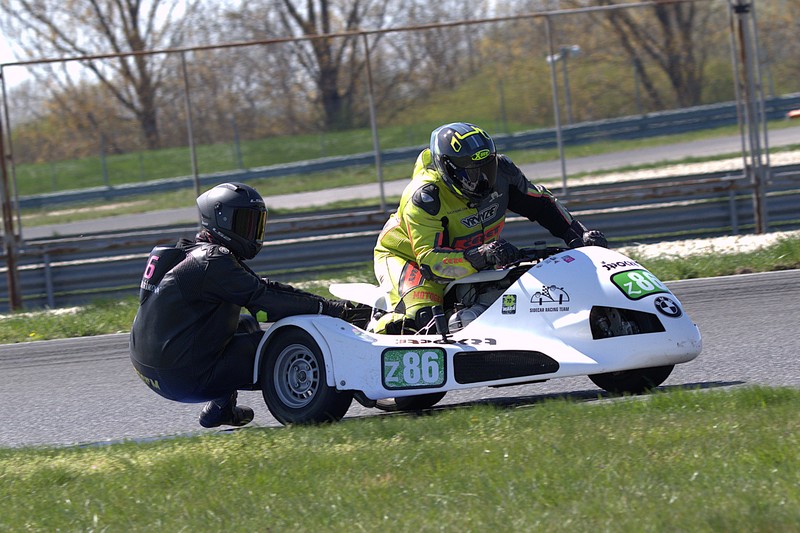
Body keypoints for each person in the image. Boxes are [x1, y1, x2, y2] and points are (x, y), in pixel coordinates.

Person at [129, 182, 354, 428]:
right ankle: (305, 407)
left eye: (256, 224)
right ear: (220, 220)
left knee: (245, 325)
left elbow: (262, 287)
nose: (251, 232)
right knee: (283, 345)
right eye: (244, 223)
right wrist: (330, 310)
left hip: (149, 369)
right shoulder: (213, 261)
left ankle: (220, 409)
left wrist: (324, 304)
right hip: (181, 377)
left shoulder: (190, 253)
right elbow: (266, 303)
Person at [372, 122, 607, 334]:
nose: (483, 180)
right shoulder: (425, 197)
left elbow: (542, 205)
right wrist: (483, 255)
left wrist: (580, 237)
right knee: (422, 318)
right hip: (409, 258)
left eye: (487, 168)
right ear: (447, 169)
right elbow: (431, 262)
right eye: (470, 173)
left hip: (475, 255)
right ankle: (372, 333)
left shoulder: (504, 172)